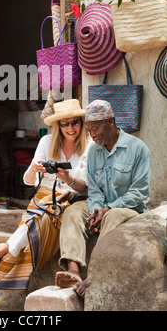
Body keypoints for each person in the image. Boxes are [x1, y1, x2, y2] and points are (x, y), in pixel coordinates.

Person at [0, 99, 94, 311]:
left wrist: (66, 178)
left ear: (81, 123)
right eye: (64, 124)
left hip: (66, 202)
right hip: (41, 201)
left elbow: (83, 188)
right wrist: (34, 169)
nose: (70, 128)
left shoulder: (89, 146)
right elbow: (28, 181)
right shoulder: (47, 142)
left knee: (34, 222)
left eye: (75, 122)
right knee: (22, 248)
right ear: (57, 125)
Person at [55, 99, 151, 298]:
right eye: (89, 130)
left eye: (96, 128)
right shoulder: (94, 150)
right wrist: (97, 209)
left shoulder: (138, 148)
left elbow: (139, 193)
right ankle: (73, 271)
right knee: (73, 211)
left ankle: (96, 274)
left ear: (111, 121)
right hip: (103, 207)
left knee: (113, 216)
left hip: (130, 209)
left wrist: (107, 209)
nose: (93, 135)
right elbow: (95, 190)